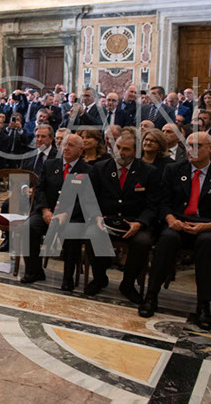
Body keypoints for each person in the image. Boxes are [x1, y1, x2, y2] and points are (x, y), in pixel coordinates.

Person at [138, 132, 211, 331]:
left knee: (207, 243)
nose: (191, 150)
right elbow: (163, 202)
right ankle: (151, 296)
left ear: (209, 149)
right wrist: (170, 219)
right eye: (188, 145)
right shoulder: (174, 169)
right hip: (177, 222)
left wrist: (206, 226)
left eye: (197, 146)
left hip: (206, 226)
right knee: (167, 239)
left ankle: (204, 305)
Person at [86, 129, 158, 302]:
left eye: (125, 149)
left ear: (135, 151)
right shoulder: (100, 168)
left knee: (143, 242)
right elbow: (89, 198)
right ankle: (99, 278)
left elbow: (153, 205)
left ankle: (128, 283)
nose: (120, 152)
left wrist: (140, 223)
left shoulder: (149, 172)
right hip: (106, 219)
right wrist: (96, 216)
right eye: (117, 147)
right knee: (92, 233)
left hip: (135, 222)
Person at [21, 134, 91, 291]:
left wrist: (67, 213)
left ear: (81, 150)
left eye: (71, 145)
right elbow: (40, 190)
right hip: (47, 211)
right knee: (28, 227)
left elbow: (86, 199)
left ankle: (68, 278)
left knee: (72, 234)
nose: (66, 148)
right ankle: (34, 271)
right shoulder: (50, 164)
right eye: (64, 144)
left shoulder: (88, 170)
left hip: (72, 216)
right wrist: (45, 210)